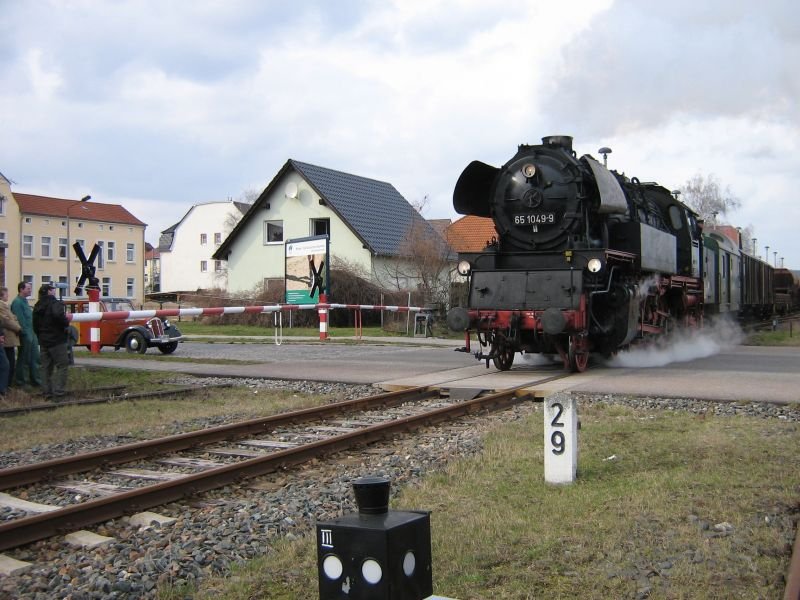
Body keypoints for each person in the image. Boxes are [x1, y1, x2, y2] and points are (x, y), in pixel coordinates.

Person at [32, 283, 70, 400]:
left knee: (45, 368)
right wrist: (65, 323)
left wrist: (40, 335)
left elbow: (35, 325)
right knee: (62, 365)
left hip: (43, 340)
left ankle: (46, 393)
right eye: (53, 289)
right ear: (49, 292)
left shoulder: (37, 305)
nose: (54, 291)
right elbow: (59, 316)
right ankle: (59, 393)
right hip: (57, 339)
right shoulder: (55, 303)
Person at [11, 281, 42, 389]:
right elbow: (20, 319)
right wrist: (25, 334)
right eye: (28, 288)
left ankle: (36, 380)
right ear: (21, 289)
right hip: (25, 334)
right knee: (24, 358)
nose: (30, 290)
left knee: (35, 358)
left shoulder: (24, 301)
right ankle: (21, 381)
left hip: (32, 333)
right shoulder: (17, 302)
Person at [0, 287, 21, 389]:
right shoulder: (1, 305)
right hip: (7, 337)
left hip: (10, 337)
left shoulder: (6, 305)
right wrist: (18, 328)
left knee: (10, 362)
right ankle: (5, 386)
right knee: (8, 363)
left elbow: (13, 318)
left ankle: (7, 385)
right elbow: (6, 320)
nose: (8, 295)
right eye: (6, 294)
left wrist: (16, 323)